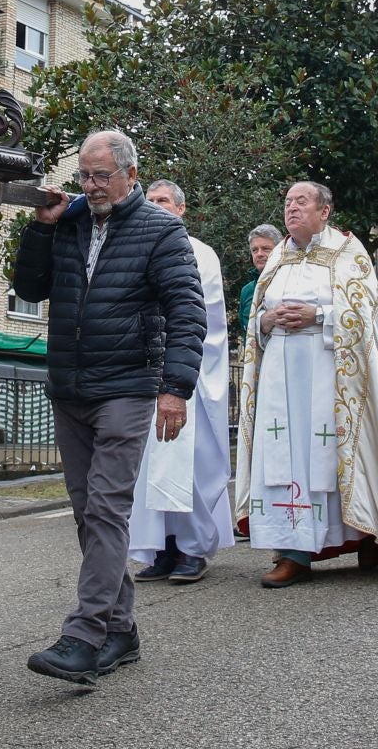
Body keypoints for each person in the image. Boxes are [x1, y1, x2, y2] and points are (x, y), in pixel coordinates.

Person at [13, 130, 206, 685]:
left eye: (101, 176)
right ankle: (120, 631)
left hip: (128, 387)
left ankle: (84, 633)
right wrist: (40, 226)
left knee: (106, 509)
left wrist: (175, 389)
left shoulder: (163, 231)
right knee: (86, 512)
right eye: (84, 176)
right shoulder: (68, 221)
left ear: (130, 175)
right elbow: (29, 289)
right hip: (70, 387)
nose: (91, 186)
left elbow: (187, 313)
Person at [236, 180, 378, 585]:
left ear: (325, 211)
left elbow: (367, 315)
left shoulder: (348, 253)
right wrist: (266, 321)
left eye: (301, 202)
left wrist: (319, 316)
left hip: (333, 372)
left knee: (332, 458)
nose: (292, 209)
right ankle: (294, 553)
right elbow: (256, 319)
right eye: (288, 202)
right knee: (287, 458)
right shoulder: (276, 259)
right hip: (281, 377)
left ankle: (364, 533)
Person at [129, 181, 233, 586]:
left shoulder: (199, 253)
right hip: (144, 372)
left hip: (185, 372)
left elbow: (196, 314)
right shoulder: (137, 244)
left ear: (181, 209)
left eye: (163, 202)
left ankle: (192, 548)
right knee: (149, 466)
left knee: (188, 466)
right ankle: (162, 548)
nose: (155, 207)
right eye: (150, 201)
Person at [238, 224, 281, 348]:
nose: (259, 254)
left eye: (266, 248)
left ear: (279, 250)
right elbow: (246, 331)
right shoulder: (247, 291)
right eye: (254, 250)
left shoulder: (292, 281)